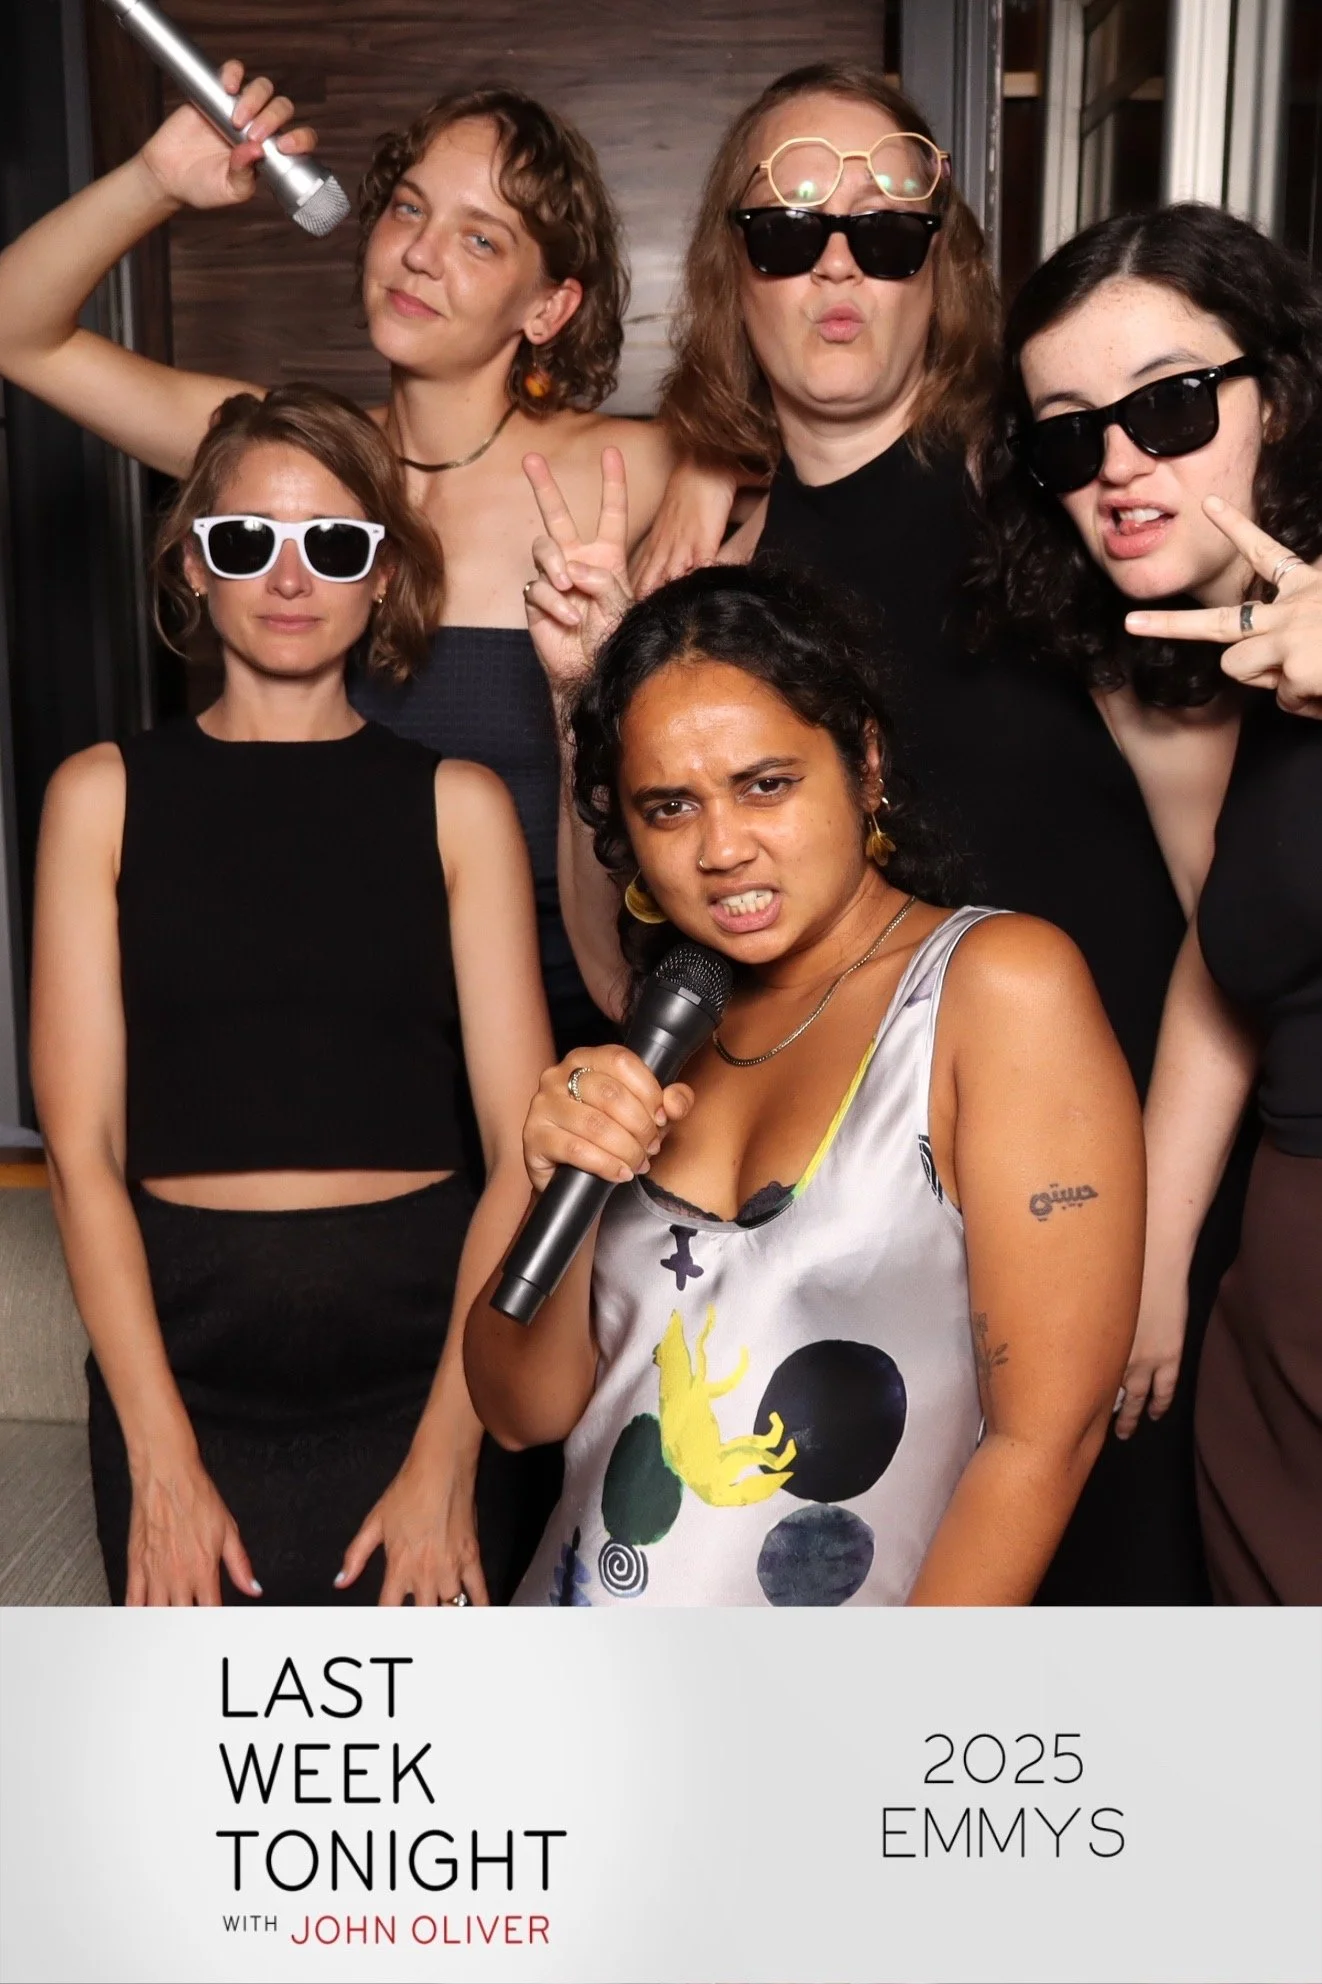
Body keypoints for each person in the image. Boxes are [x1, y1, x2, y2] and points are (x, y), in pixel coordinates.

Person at [520, 65, 1216, 1602]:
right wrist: (585, 706)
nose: (836, 267)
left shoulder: (1053, 521)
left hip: (1101, 1226)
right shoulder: (717, 567)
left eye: (882, 233)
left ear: (939, 271)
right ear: (731, 276)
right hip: (844, 1260)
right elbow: (632, 952)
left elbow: (1217, 919)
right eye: (787, 231)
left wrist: (1157, 1249)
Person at [463, 565, 1144, 1607]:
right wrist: (551, 1169)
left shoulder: (993, 988)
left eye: (764, 784)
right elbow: (521, 1412)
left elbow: (1041, 1445)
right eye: (669, 806)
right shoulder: (662, 1028)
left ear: (864, 763)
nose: (722, 848)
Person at [0, 65, 712, 1053]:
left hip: (566, 1027)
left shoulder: (629, 471)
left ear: (546, 307)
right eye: (407, 209)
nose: (419, 255)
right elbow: (18, 331)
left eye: (479, 237)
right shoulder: (284, 460)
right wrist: (155, 181)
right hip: (328, 1022)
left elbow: (823, 447)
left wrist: (719, 462)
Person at [29, 384, 553, 1606]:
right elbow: (82, 1151)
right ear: (193, 570)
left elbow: (523, 1151)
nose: (287, 575)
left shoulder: (457, 804)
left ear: (381, 579)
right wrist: (158, 1455)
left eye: (331, 543)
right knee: (212, 1774)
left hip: (431, 1365)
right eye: (243, 541)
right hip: (182, 1371)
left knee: (450, 1782)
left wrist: (446, 1453)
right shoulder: (97, 797)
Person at [978, 205, 1322, 1604]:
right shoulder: (1183, 671)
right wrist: (1159, 1256)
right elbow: (1225, 958)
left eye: (1170, 406)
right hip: (1276, 1320)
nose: (1118, 464)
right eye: (1071, 433)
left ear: (1278, 401)